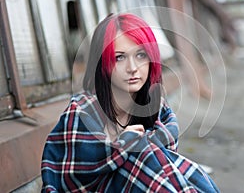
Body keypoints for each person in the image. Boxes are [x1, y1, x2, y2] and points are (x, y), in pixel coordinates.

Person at [41, 13, 220, 192]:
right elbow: (69, 179)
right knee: (142, 154)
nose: (133, 68)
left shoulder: (159, 111)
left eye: (141, 55)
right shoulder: (82, 113)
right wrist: (123, 145)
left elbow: (167, 172)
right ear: (102, 62)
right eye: (120, 57)